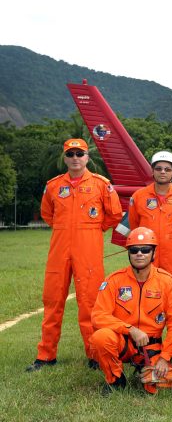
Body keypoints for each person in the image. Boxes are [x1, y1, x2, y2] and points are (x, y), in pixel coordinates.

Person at [27, 138, 122, 372]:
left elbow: (114, 214)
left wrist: (91, 229)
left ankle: (94, 354)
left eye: (80, 154)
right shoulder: (53, 185)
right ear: (65, 158)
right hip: (59, 250)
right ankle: (46, 355)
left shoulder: (101, 184)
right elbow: (47, 214)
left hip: (88, 249)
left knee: (90, 303)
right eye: (71, 154)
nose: (75, 158)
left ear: (87, 157)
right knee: (52, 302)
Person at [90, 227, 172, 394]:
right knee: (101, 337)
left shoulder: (166, 281)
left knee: (164, 383)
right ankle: (116, 380)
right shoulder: (114, 281)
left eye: (145, 249)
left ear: (153, 253)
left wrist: (165, 357)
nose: (139, 254)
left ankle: (146, 367)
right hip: (124, 342)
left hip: (152, 346)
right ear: (128, 253)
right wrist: (130, 330)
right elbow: (98, 316)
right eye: (134, 250)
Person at [129, 151, 172, 358]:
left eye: (167, 169)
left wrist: (170, 240)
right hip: (147, 253)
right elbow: (134, 226)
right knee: (146, 298)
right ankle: (146, 344)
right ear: (152, 170)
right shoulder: (138, 197)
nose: (163, 172)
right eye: (159, 168)